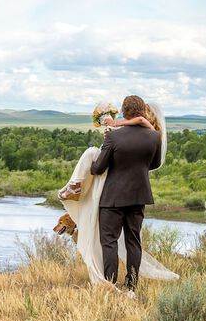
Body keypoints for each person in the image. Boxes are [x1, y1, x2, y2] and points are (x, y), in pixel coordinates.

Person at [58, 97, 177, 296]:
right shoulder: (154, 136)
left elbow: (98, 168)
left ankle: (110, 285)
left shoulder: (113, 137)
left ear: (123, 111)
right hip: (139, 196)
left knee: (109, 241)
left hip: (112, 197)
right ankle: (131, 286)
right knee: (133, 241)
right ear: (143, 111)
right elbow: (154, 164)